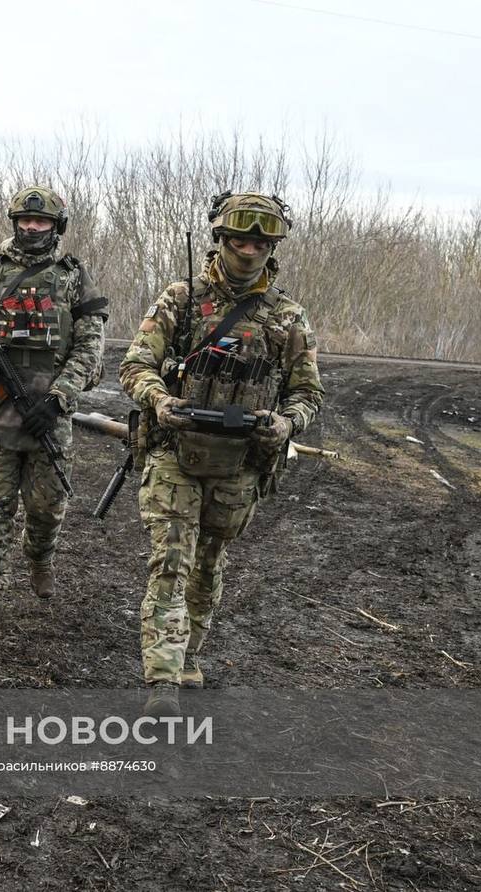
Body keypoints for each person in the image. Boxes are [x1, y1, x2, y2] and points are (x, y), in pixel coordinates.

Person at [119, 191, 324, 715]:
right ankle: (161, 682)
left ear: (272, 246)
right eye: (239, 238)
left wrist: (286, 422)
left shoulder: (287, 316)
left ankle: (188, 655)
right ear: (220, 239)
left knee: (208, 563)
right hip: (175, 451)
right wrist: (160, 400)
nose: (249, 249)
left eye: (260, 240)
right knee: (170, 559)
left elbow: (308, 392)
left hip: (240, 463)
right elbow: (135, 364)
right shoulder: (181, 299)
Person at [0, 186, 108, 622]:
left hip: (49, 417)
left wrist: (58, 399)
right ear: (15, 222)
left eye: (42, 222)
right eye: (26, 221)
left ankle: (40, 558)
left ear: (57, 227)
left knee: (46, 508)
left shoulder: (73, 278)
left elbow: (90, 351)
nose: (32, 228)